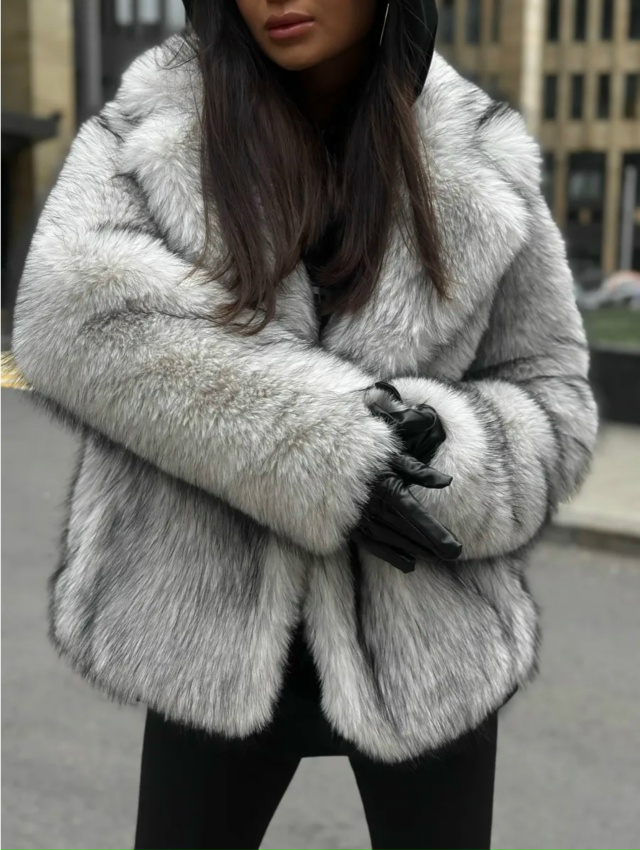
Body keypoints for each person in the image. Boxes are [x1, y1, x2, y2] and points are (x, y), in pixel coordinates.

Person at [12, 1, 598, 848]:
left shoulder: (478, 154)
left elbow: (552, 391)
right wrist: (321, 447)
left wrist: (450, 460)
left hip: (426, 638)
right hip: (207, 626)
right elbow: (70, 316)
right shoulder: (160, 122)